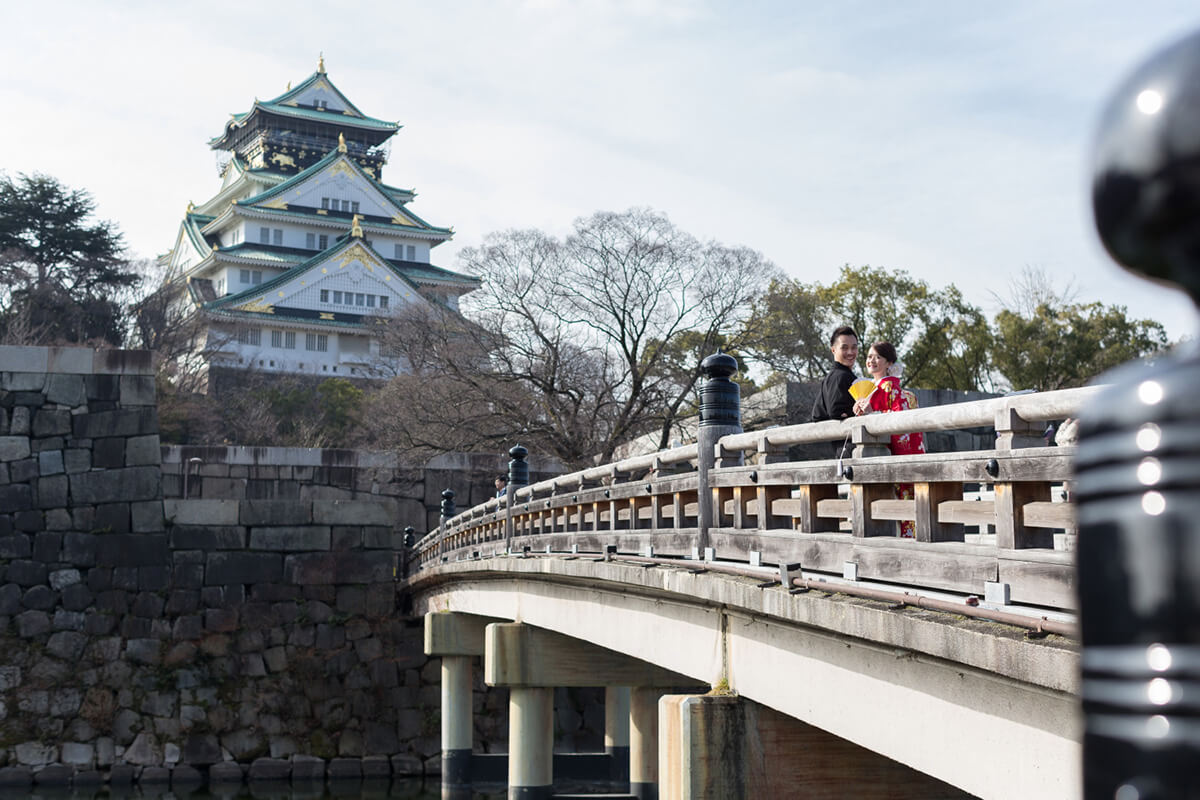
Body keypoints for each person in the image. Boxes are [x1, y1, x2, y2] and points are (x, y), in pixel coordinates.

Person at [852, 341, 925, 538]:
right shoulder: (876, 388)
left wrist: (872, 413)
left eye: (877, 357)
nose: (871, 361)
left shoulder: (888, 388)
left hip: (892, 452)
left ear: (888, 362)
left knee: (904, 499)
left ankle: (909, 538)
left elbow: (892, 418)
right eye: (869, 356)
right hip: (884, 451)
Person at [811, 325, 859, 458]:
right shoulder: (840, 377)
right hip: (852, 449)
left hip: (843, 450)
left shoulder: (833, 376)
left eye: (854, 347)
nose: (850, 352)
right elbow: (835, 411)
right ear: (833, 350)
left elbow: (817, 414)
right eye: (844, 347)